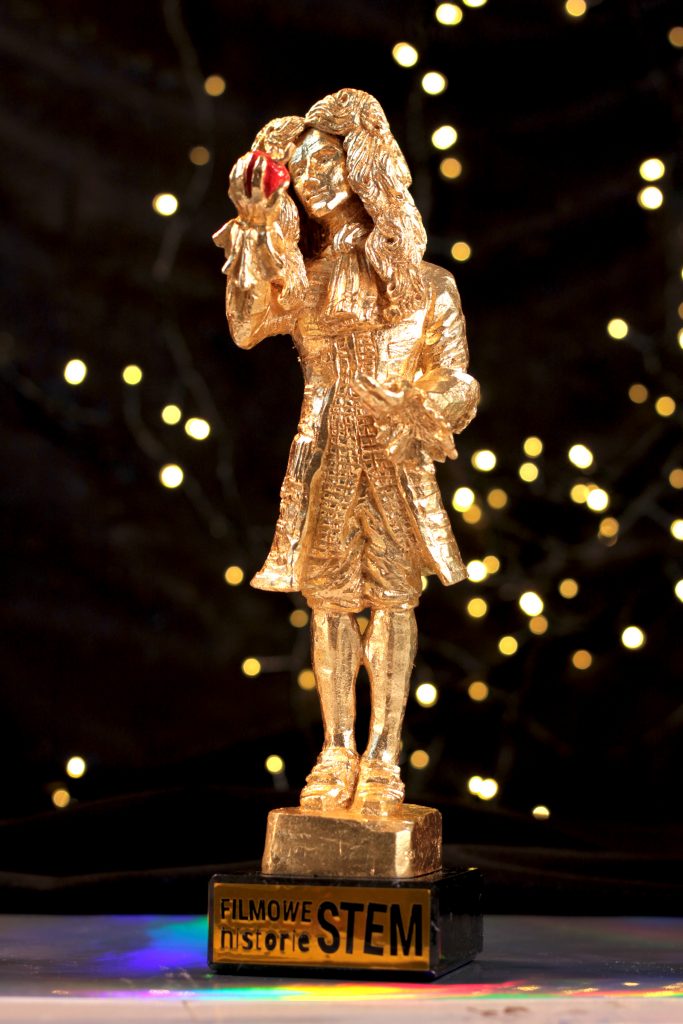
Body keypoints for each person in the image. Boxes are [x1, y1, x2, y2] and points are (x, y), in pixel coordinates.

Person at [214, 89, 479, 817]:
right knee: (328, 605)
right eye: (300, 172)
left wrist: (421, 408)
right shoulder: (304, 278)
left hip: (392, 458)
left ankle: (384, 756)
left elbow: (456, 377)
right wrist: (256, 226)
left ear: (364, 168)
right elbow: (246, 325)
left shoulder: (426, 285)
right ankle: (335, 751)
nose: (314, 182)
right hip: (323, 457)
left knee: (393, 602)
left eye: (327, 164)